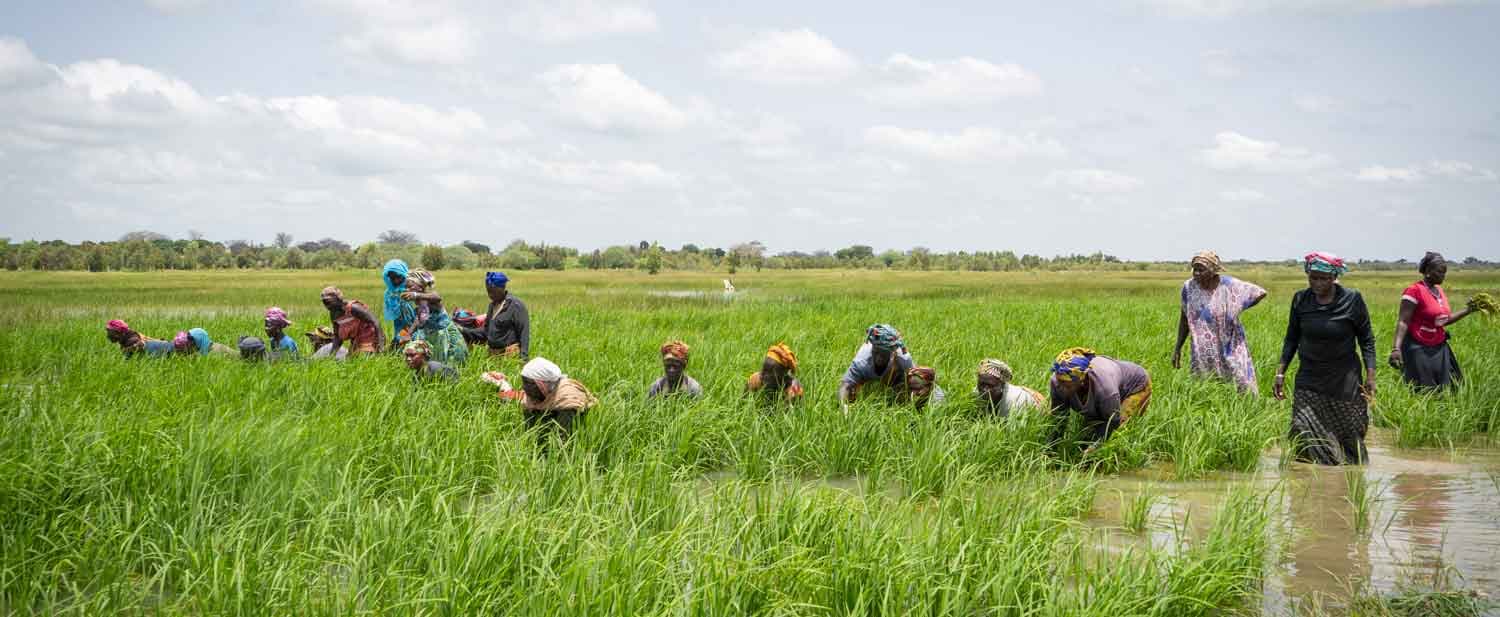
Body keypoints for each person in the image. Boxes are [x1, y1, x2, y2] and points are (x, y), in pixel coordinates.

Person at [1275, 252, 1377, 466]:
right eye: (1313, 277)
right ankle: (1310, 477)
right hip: (1309, 377)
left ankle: (1349, 473)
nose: (1317, 283)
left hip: (1344, 379)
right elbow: (1291, 338)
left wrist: (1370, 377)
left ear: (1334, 277)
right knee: (1302, 426)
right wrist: (1280, 373)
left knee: (1348, 431)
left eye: (1324, 278)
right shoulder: (1301, 299)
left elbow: (1366, 339)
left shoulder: (1352, 300)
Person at [1172, 250, 1268, 393]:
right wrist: (1178, 347)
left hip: (1229, 345)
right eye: (1194, 269)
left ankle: (1246, 406)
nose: (1196, 273)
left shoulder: (1229, 285)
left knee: (1240, 383)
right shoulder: (1189, 287)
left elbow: (1259, 292)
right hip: (1202, 350)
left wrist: (1237, 307)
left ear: (1213, 270)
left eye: (1201, 270)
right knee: (1206, 387)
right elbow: (1185, 318)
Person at [1389, 251, 1478, 391]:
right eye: (1440, 272)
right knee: (1423, 390)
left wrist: (1468, 310)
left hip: (1439, 346)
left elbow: (1444, 321)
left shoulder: (1439, 291)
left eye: (1444, 272)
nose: (1443, 276)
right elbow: (1403, 321)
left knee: (1450, 388)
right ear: (1428, 272)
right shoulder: (1414, 291)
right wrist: (1396, 349)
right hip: (1418, 347)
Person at [1048, 347, 1152, 452]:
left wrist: (1094, 448)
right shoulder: (1057, 383)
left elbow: (1112, 422)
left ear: (1082, 381)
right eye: (1059, 381)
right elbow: (1059, 417)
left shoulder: (1105, 389)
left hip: (1136, 386)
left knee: (1117, 431)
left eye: (1067, 385)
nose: (1061, 387)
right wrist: (1051, 448)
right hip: (1112, 385)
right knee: (1088, 434)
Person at [516, 357, 596, 447]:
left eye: (529, 383)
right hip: (551, 415)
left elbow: (564, 437)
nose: (525, 387)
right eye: (524, 382)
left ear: (543, 383)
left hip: (570, 422)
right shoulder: (533, 394)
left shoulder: (566, 397)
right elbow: (529, 430)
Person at [838, 324, 916, 411]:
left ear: (892, 353)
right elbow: (846, 384)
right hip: (867, 373)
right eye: (876, 352)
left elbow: (918, 380)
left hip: (892, 375)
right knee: (853, 390)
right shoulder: (862, 360)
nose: (879, 358)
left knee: (905, 385)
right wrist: (843, 405)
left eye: (884, 355)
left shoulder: (903, 358)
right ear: (872, 348)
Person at [401, 269, 468, 366]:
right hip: (431, 335)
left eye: (410, 286)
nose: (407, 290)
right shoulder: (419, 302)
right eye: (406, 287)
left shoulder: (430, 298)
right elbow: (418, 319)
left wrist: (416, 295)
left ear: (420, 286)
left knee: (447, 363)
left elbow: (437, 297)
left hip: (444, 335)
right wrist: (408, 334)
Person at [475, 271, 530, 359]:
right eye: (488, 291)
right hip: (492, 355)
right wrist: (464, 330)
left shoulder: (515, 305)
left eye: (493, 291)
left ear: (502, 288)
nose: (490, 295)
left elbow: (524, 333)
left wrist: (524, 358)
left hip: (509, 355)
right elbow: (486, 332)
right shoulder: (492, 306)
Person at [320, 286, 384, 358]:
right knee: (350, 361)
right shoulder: (333, 314)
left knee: (362, 360)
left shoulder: (353, 308)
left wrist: (381, 344)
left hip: (370, 338)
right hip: (356, 341)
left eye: (328, 302)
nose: (327, 306)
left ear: (338, 299)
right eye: (324, 302)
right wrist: (332, 355)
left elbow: (375, 321)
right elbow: (337, 336)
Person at [976, 359, 1044, 417]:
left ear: (1002, 385)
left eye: (990, 386)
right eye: (982, 384)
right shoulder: (977, 393)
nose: (984, 389)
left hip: (1039, 408)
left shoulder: (1012, 403)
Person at [382, 259, 417, 348]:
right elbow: (394, 314)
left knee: (409, 344)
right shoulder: (390, 293)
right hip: (400, 326)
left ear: (404, 274)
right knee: (399, 344)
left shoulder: (414, 289)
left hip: (416, 325)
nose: (396, 281)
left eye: (398, 277)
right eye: (392, 278)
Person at [104, 319, 170, 358]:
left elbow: (141, 345)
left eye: (111, 333)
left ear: (120, 332)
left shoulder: (131, 341)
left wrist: (128, 350)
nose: (108, 336)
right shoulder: (127, 335)